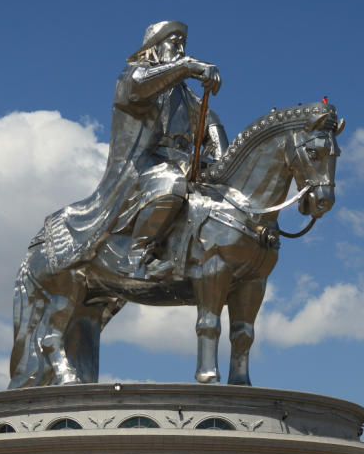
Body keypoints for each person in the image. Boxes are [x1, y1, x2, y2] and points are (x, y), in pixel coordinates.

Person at [28, 20, 227, 279]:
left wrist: (224, 161)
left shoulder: (185, 93)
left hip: (186, 161)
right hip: (144, 164)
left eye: (183, 43)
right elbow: (140, 88)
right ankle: (137, 256)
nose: (180, 47)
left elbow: (209, 120)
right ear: (154, 46)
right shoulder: (134, 75)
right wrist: (187, 66)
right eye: (173, 41)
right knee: (170, 183)